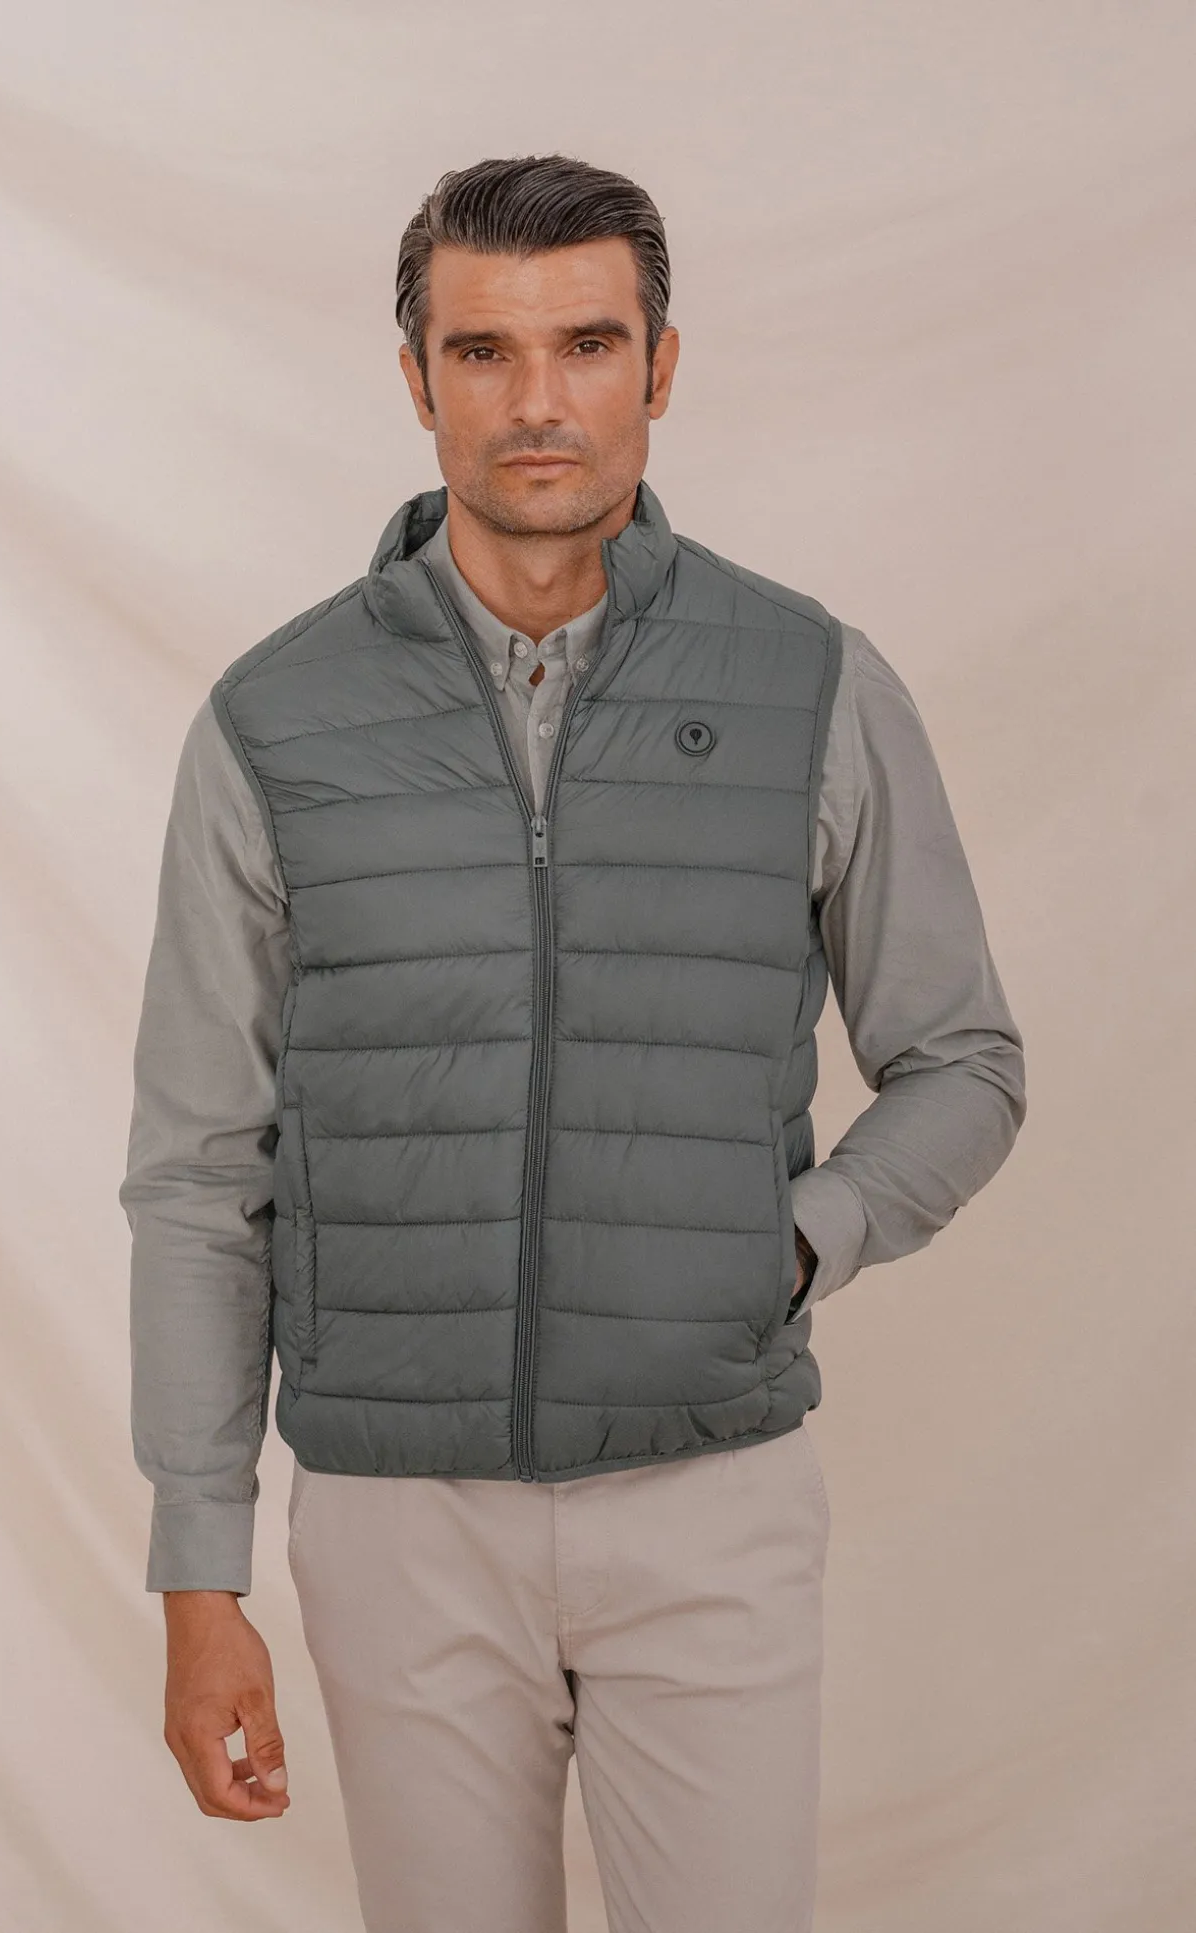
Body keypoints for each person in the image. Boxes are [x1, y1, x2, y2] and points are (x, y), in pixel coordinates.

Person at [120, 152, 1027, 1933]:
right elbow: (201, 1170)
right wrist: (195, 1570)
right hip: (396, 1519)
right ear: (417, 380)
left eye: (587, 344)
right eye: (483, 350)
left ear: (659, 367)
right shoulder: (273, 720)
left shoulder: (808, 684)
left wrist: (792, 1242)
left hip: (709, 1493)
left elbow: (963, 1060)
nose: (536, 400)